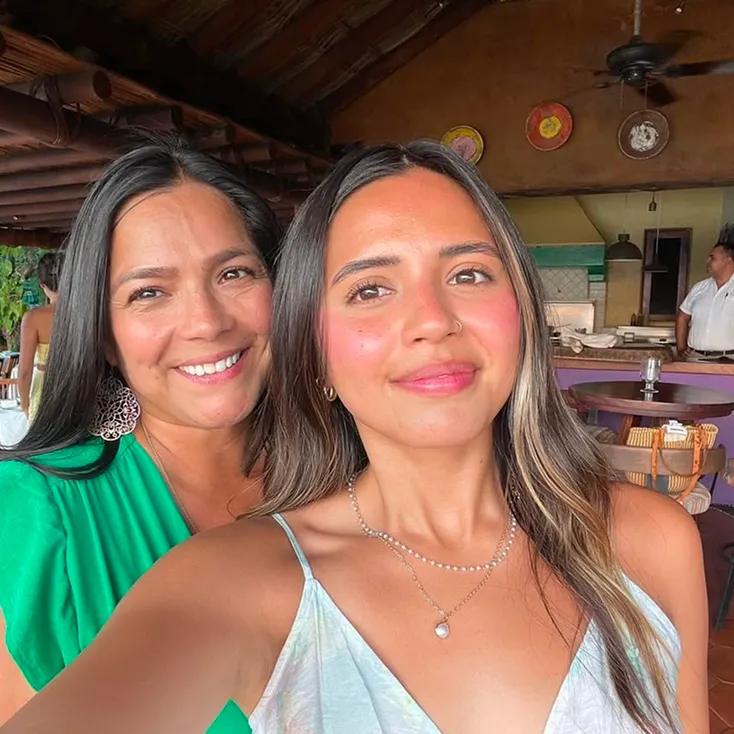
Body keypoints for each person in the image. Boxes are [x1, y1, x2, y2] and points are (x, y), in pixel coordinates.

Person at [0, 142, 708, 734]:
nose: (431, 319)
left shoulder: (652, 540)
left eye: (468, 273)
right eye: (370, 288)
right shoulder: (228, 574)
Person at [0, 137, 280, 733]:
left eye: (234, 273)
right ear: (105, 336)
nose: (206, 321)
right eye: (149, 292)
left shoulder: (357, 478)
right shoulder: (39, 513)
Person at [676, 224, 734, 359]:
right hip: (695, 357)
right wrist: (680, 348)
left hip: (730, 359)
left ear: (728, 261)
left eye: (712, 258)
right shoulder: (699, 288)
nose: (707, 261)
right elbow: (682, 317)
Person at [17, 252, 61, 420]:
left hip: (44, 391)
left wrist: (25, 405)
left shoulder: (33, 318)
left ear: (43, 285)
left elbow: (24, 371)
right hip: (79, 388)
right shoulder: (85, 315)